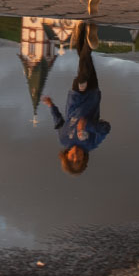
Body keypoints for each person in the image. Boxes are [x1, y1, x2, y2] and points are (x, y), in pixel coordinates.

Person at [41, 21, 110, 175]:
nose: (75, 156)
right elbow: (106, 128)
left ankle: (89, 38)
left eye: (71, 158)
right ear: (84, 159)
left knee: (83, 73)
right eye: (78, 160)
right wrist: (88, 126)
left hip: (76, 97)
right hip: (92, 95)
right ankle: (83, 31)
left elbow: (59, 123)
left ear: (66, 155)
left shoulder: (64, 139)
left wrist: (51, 106)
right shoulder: (91, 143)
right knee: (85, 62)